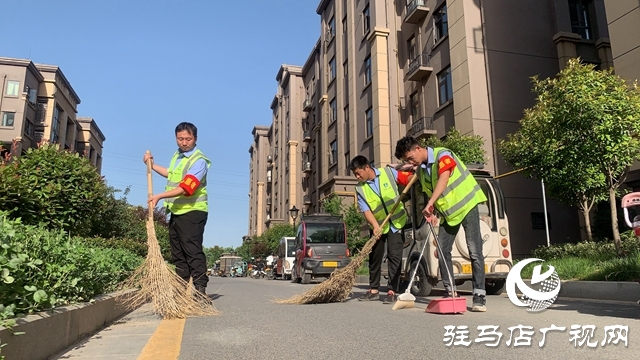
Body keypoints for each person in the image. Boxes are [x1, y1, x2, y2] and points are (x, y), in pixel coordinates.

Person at [394, 136, 488, 312]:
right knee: (442, 251)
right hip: (449, 214)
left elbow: (444, 180)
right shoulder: (421, 172)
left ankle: (479, 296)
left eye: (410, 158)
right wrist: (433, 211)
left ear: (417, 148)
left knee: (474, 250)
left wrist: (429, 204)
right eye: (407, 161)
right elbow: (433, 193)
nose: (410, 162)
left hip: (467, 205)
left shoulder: (443, 155)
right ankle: (450, 292)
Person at [143, 122, 211, 295]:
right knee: (178, 253)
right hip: (176, 212)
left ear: (195, 139)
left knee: (192, 251)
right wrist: (152, 165)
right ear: (176, 138)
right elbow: (171, 174)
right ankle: (181, 290)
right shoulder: (178, 156)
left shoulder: (199, 161)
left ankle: (200, 290)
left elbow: (186, 187)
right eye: (180, 139)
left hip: (193, 212)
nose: (184, 142)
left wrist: (158, 196)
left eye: (188, 139)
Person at [350, 155, 412, 304]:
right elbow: (366, 210)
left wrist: (411, 175)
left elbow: (406, 179)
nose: (357, 177)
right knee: (375, 257)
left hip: (396, 222)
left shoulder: (388, 173)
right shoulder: (360, 188)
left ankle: (392, 291)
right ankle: (374, 290)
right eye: (355, 175)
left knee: (394, 256)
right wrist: (375, 226)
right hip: (379, 225)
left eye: (359, 173)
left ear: (367, 167)